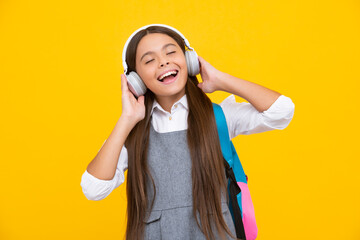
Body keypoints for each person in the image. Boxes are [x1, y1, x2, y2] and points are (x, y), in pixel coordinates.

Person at [80, 24, 295, 240]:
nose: (163, 61)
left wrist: (221, 80)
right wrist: (126, 119)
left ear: (189, 60)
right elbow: (94, 188)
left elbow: (282, 111)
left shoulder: (219, 116)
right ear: (135, 80)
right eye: (149, 60)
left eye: (171, 52)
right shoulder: (132, 132)